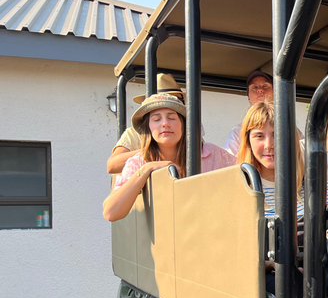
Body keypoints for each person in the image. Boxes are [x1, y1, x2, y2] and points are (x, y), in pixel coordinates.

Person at [237, 100, 328, 297]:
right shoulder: (240, 188)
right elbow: (236, 258)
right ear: (248, 140)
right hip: (275, 274)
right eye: (259, 136)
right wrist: (276, 261)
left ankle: (320, 297)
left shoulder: (314, 183)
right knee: (289, 255)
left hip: (317, 266)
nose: (269, 145)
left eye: (277, 135)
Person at [103, 94, 235, 222]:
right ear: (148, 127)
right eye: (156, 119)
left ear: (184, 124)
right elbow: (111, 213)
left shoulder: (212, 153)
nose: (165, 123)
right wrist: (146, 169)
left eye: (172, 118)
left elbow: (245, 182)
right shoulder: (139, 162)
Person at [107, 73, 187, 174]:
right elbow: (112, 165)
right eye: (163, 99)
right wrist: (153, 151)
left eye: (177, 100)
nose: (171, 103)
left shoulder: (190, 131)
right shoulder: (134, 133)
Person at [224, 69, 274, 155]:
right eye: (254, 88)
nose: (260, 90)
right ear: (249, 97)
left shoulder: (289, 128)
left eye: (265, 86)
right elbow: (229, 163)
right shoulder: (238, 132)